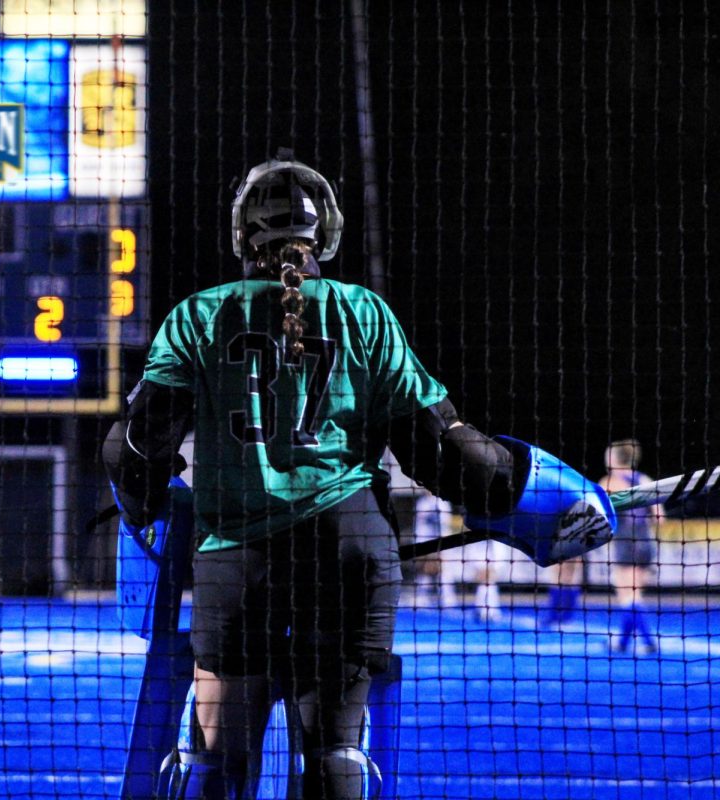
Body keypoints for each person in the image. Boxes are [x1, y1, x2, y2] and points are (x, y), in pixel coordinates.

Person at [102, 148, 614, 799]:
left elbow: (137, 448)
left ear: (242, 235)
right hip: (349, 557)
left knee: (214, 762)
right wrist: (542, 500)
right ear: (327, 235)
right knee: (336, 753)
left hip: (238, 563)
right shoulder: (364, 314)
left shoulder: (200, 316)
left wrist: (143, 506)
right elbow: (443, 451)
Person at [600, 439, 662, 655]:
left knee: (627, 596)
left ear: (615, 458)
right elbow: (659, 517)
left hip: (626, 542)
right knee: (634, 596)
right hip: (645, 541)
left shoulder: (610, 481)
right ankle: (623, 643)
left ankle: (647, 641)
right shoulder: (645, 479)